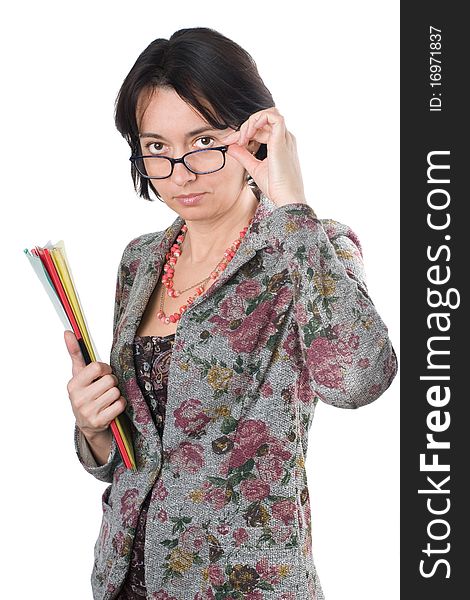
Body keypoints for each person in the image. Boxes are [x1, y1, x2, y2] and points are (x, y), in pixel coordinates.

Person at [64, 27, 398, 600]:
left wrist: (292, 205)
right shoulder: (141, 261)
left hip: (245, 584)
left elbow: (360, 380)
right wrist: (94, 430)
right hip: (125, 578)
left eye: (203, 142)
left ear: (250, 133)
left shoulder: (310, 247)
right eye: (157, 148)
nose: (180, 172)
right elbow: (139, 452)